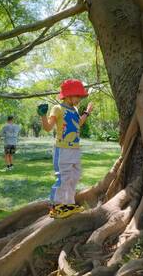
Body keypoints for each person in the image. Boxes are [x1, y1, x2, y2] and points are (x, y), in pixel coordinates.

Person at [37, 79, 94, 219]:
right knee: (63, 177)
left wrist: (86, 113)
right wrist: (43, 115)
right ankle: (56, 206)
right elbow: (48, 127)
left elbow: (78, 123)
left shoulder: (74, 110)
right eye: (78, 96)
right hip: (62, 149)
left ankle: (68, 203)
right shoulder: (58, 108)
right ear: (68, 95)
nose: (80, 99)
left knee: (74, 177)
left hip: (75, 149)